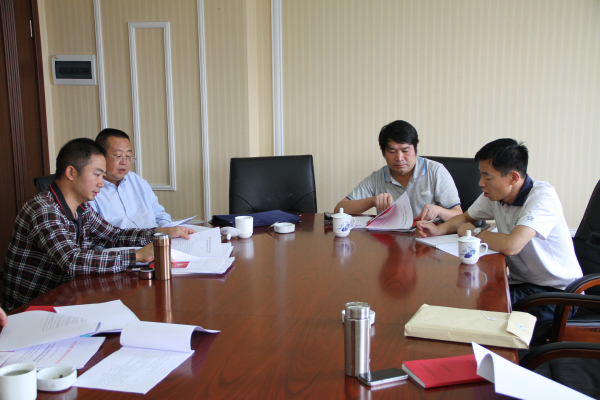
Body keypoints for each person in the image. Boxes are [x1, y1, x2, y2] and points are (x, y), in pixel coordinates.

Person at [2, 138, 193, 313]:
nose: (102, 184)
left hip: (69, 299)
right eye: (97, 175)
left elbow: (113, 235)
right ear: (71, 173)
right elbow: (72, 261)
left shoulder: (81, 208)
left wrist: (160, 233)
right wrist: (137, 255)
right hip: (30, 310)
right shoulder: (43, 209)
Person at [416, 138, 583, 321]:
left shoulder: (542, 198)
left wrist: (476, 233)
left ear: (513, 178)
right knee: (465, 295)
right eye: (481, 175)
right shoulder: (495, 195)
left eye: (487, 177)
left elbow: (512, 246)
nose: (481, 183)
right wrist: (439, 230)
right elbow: (465, 218)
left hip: (558, 294)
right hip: (522, 284)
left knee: (480, 309)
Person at [334, 120, 463, 221]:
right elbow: (339, 209)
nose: (399, 158)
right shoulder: (377, 178)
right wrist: (372, 201)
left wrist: (439, 211)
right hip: (391, 242)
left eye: (405, 150)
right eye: (392, 151)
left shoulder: (436, 171)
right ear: (383, 152)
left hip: (427, 240)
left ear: (416, 147)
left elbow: (459, 215)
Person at [90, 128, 172, 229]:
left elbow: (159, 214)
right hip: (122, 239)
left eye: (128, 156)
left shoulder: (137, 181)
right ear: (100, 156)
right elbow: (97, 232)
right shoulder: (91, 189)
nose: (124, 162)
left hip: (156, 237)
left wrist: (167, 230)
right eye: (118, 156)